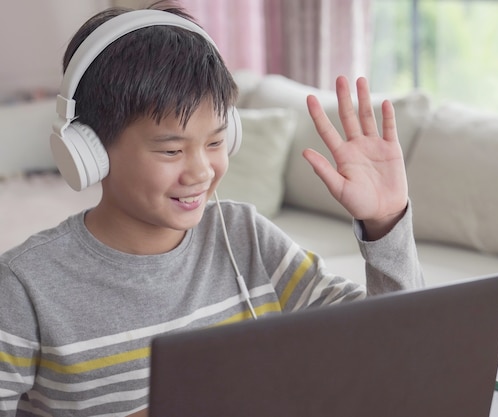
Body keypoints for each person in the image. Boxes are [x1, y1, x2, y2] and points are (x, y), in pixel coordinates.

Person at [0, 1, 423, 416]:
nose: (201, 171)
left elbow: (390, 348)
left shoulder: (245, 236)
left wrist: (385, 222)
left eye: (217, 142)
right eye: (170, 150)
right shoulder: (24, 286)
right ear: (89, 151)